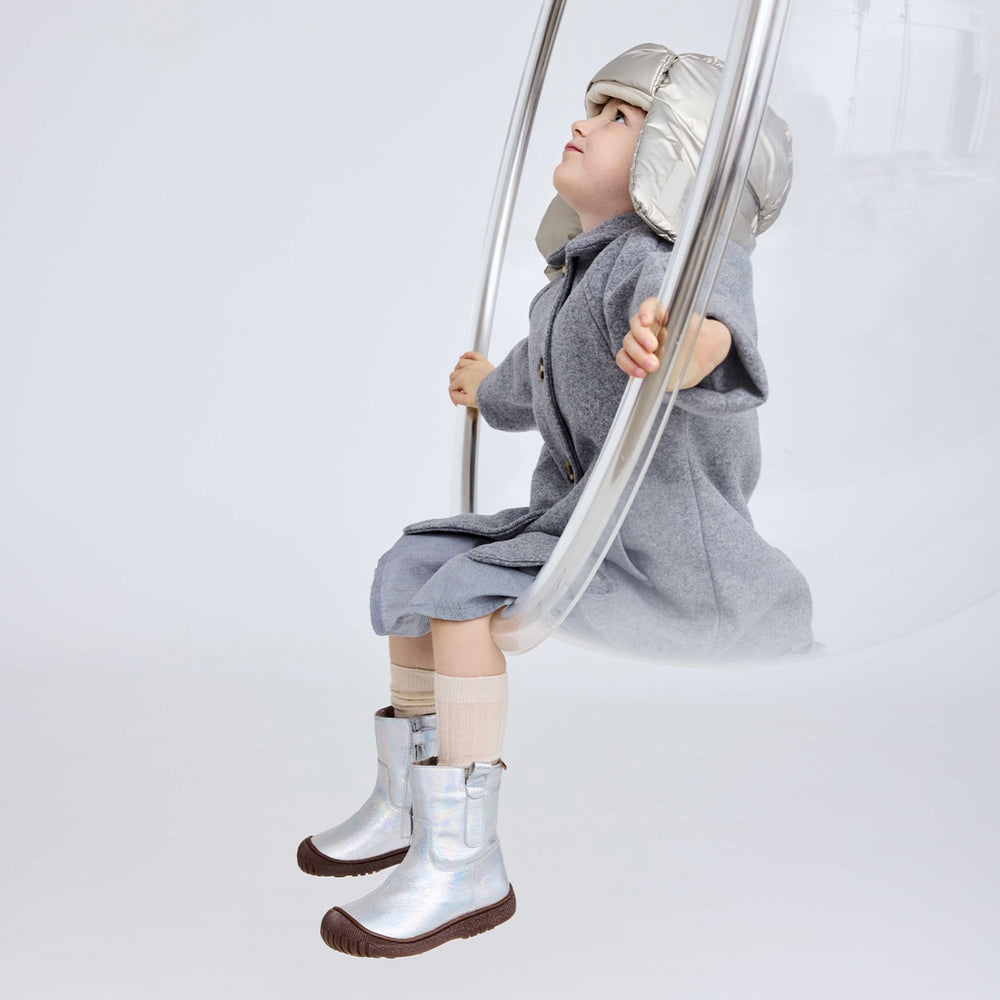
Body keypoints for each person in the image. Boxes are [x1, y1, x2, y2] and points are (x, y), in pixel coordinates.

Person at [298, 42, 813, 959]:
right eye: (592, 107)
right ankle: (410, 794)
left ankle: (467, 856)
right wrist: (484, 388)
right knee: (415, 565)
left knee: (462, 603)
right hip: (577, 531)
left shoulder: (666, 262)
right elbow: (533, 382)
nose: (583, 122)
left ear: (678, 161)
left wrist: (678, 346)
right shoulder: (573, 277)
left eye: (619, 117)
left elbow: (711, 327)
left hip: (670, 560)